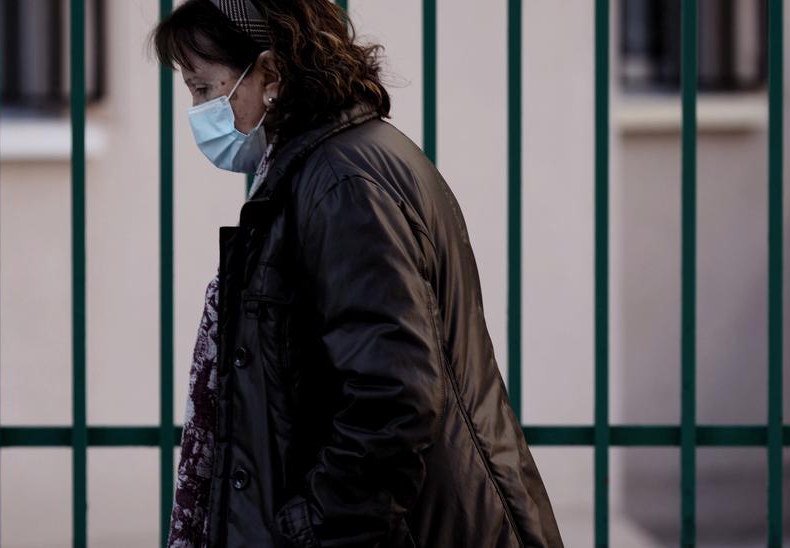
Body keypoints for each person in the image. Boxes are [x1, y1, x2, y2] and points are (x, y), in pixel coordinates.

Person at [154, 1, 563, 546]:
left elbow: (394, 394)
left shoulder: (343, 183)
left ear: (271, 73)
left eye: (204, 89)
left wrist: (311, 527)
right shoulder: (327, 168)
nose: (197, 111)